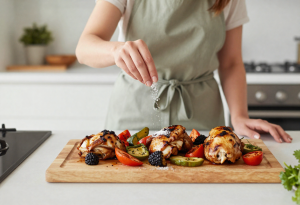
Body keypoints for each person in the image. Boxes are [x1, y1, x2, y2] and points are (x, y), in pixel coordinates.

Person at [76, 0, 292, 143]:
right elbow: (84, 47)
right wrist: (115, 50)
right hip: (134, 112)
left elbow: (231, 62)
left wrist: (239, 116)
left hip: (202, 116)